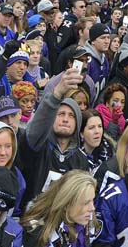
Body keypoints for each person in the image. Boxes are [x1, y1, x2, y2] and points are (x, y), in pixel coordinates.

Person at [17, 69, 90, 208]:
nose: (65, 119)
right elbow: (35, 130)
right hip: (32, 222)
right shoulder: (38, 147)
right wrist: (56, 95)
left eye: (71, 115)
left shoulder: (81, 160)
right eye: (61, 114)